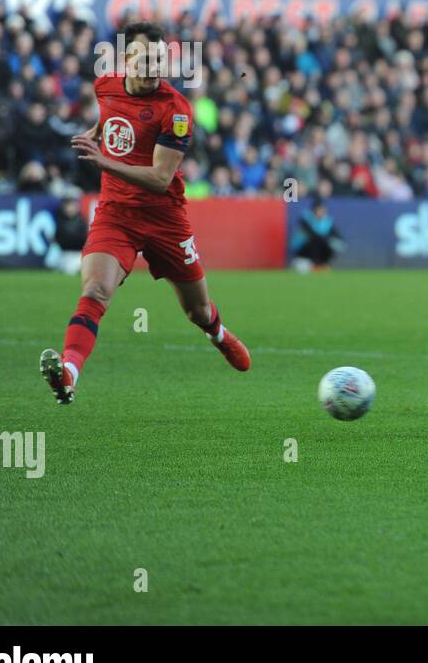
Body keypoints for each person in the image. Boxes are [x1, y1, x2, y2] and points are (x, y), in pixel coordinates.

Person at [39, 21, 250, 404]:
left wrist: (103, 162)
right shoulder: (105, 86)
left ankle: (218, 334)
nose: (154, 66)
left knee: (198, 310)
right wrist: (95, 133)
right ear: (127, 59)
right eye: (145, 58)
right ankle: (68, 372)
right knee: (94, 290)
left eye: (160, 58)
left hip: (164, 218)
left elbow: (158, 177)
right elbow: (110, 120)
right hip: (116, 214)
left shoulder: (177, 110)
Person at [291, 200, 345, 271]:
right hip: (302, 250)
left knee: (333, 243)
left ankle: (324, 264)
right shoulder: (305, 219)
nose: (322, 212)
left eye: (323, 210)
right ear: (314, 210)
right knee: (317, 240)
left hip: (318, 248)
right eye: (319, 210)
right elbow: (312, 235)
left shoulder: (327, 221)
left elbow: (336, 235)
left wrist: (338, 242)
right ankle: (315, 264)